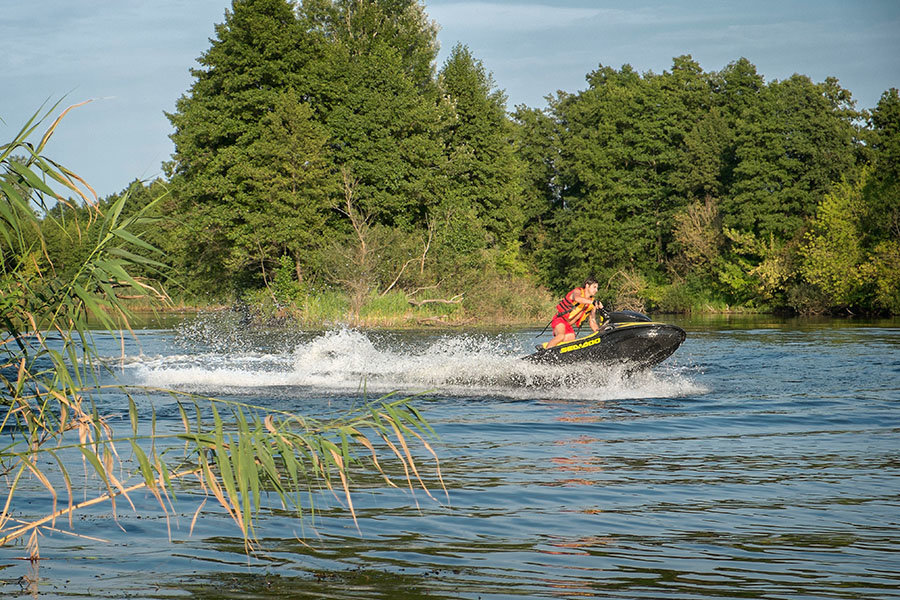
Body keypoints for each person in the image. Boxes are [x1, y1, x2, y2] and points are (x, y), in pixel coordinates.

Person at [542, 278, 604, 349]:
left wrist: (600, 334)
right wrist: (592, 302)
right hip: (559, 320)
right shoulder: (577, 291)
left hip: (568, 325)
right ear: (587, 286)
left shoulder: (592, 303)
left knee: (571, 339)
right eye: (594, 287)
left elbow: (592, 321)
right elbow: (577, 298)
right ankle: (546, 354)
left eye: (597, 288)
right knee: (561, 336)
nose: (596, 290)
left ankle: (559, 355)